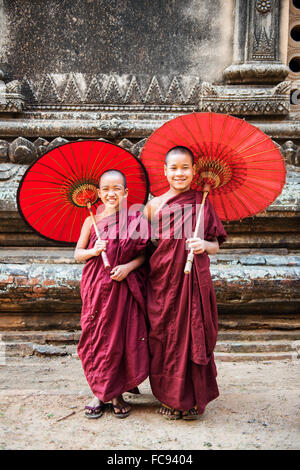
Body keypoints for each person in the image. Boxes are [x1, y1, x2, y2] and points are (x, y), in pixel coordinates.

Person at [144, 146, 227, 420]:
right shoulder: (153, 206)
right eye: (174, 168)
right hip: (162, 280)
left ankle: (192, 399)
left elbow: (216, 245)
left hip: (193, 283)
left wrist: (202, 244)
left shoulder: (202, 201)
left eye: (185, 168)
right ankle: (169, 397)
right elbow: (145, 247)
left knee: (192, 334)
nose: (180, 173)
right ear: (164, 171)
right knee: (164, 336)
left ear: (194, 171)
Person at [75, 170, 150, 419]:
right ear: (98, 193)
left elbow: (144, 255)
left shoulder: (135, 220)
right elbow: (78, 254)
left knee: (120, 340)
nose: (111, 193)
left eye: (116, 188)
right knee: (96, 338)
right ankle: (98, 392)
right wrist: (94, 251)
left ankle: (116, 393)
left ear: (125, 193)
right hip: (97, 287)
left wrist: (128, 268)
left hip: (123, 288)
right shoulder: (90, 221)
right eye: (105, 189)